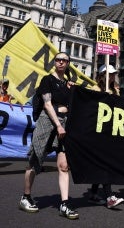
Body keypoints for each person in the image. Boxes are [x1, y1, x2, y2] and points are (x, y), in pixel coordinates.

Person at [19, 52, 79, 219]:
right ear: (54, 62)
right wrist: (58, 125)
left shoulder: (67, 84)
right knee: (35, 159)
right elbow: (47, 104)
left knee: (63, 165)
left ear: (68, 64)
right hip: (49, 121)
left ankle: (65, 204)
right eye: (58, 59)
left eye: (64, 60)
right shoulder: (47, 80)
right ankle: (26, 197)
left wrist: (72, 89)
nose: (60, 62)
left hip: (65, 122)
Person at [89, 64, 124, 208]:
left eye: (113, 74)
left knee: (101, 163)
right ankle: (109, 196)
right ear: (102, 75)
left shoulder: (116, 91)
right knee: (105, 163)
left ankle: (93, 192)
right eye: (108, 74)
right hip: (98, 132)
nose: (111, 77)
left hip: (111, 131)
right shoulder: (94, 89)